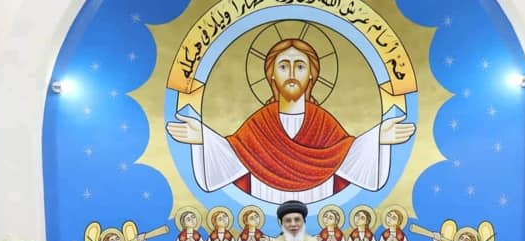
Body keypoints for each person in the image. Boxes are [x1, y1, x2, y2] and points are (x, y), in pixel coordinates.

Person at [166, 38, 415, 204]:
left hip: (320, 198)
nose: (292, 74)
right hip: (263, 197)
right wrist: (203, 138)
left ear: (312, 76)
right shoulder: (260, 122)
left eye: (300, 67)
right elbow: (234, 154)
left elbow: (346, 154)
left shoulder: (323, 122)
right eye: (284, 67)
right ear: (272, 76)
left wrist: (378, 139)